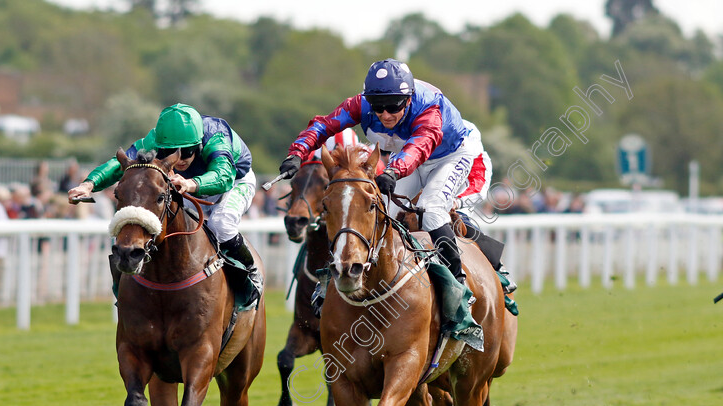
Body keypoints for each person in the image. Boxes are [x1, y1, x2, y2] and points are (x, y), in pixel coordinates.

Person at [279, 58, 494, 294]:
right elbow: (325, 125)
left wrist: (393, 170)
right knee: (380, 209)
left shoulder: (429, 110)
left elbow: (418, 148)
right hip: (408, 159)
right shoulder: (360, 105)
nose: (384, 114)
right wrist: (297, 153)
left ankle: (458, 288)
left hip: (449, 157)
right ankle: (355, 276)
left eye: (393, 106)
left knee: (431, 209)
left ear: (409, 99)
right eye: (377, 106)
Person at [68, 103, 262, 302]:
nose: (180, 159)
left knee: (220, 224)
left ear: (199, 143)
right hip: (186, 182)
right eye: (171, 152)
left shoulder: (216, 136)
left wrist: (192, 183)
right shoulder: (156, 139)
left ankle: (250, 274)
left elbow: (223, 177)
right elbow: (121, 164)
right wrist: (89, 184)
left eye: (187, 151)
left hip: (233, 181)